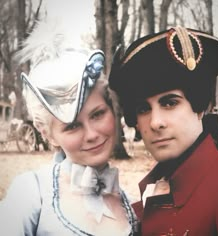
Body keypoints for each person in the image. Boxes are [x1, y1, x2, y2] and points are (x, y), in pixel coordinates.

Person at [0, 20, 138, 236]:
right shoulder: (31, 194)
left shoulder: (131, 204)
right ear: (48, 135)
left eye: (98, 114)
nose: (92, 134)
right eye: (72, 126)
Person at [108, 26, 218, 235]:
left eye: (170, 103)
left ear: (200, 107)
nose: (155, 122)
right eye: (143, 109)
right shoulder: (137, 209)